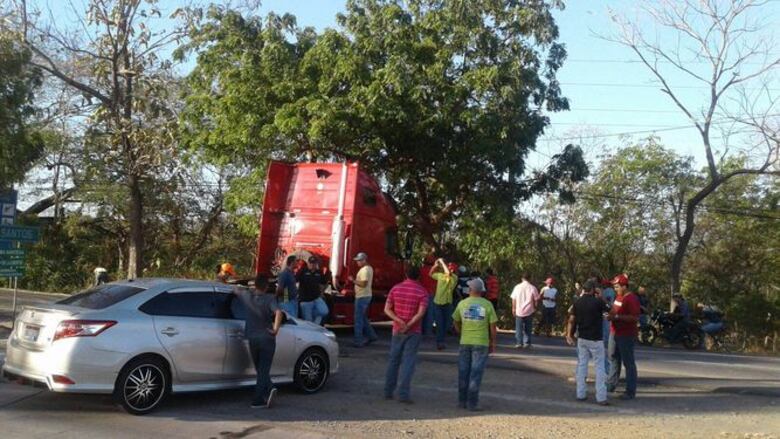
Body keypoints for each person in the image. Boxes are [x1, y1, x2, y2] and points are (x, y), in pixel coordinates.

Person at [232, 275, 283, 409]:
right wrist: (276, 329)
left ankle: (270, 389)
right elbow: (279, 312)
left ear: (255, 285)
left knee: (260, 369)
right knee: (263, 369)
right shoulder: (269, 298)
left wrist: (245, 288)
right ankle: (257, 399)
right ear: (266, 287)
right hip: (266, 337)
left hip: (252, 338)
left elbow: (235, 290)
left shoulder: (247, 296)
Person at [383, 265, 429, 403]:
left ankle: (388, 391)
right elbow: (421, 313)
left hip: (397, 329)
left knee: (393, 360)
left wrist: (399, 321)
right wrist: (408, 325)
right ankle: (403, 394)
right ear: (418, 276)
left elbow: (387, 309)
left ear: (406, 274)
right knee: (408, 362)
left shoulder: (395, 288)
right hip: (413, 331)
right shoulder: (422, 292)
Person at [452, 278, 498, 411]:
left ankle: (462, 402)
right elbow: (493, 327)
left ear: (471, 290)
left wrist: (461, 331)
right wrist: (493, 342)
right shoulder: (487, 305)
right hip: (481, 343)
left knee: (463, 372)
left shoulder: (462, 304)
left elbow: (455, 320)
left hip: (465, 341)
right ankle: (472, 403)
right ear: (481, 291)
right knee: (475, 374)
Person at [566, 279, 610, 405]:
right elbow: (610, 310)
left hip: (582, 338)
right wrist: (602, 297)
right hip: (596, 338)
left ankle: (581, 394)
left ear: (583, 289)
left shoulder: (577, 302)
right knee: (599, 367)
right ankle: (601, 397)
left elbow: (571, 319)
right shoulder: (597, 302)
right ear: (593, 290)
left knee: (581, 366)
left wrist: (569, 334)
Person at [606, 273, 641, 400]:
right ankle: (611, 384)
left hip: (626, 334)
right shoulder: (618, 297)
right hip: (614, 332)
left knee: (628, 362)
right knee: (613, 357)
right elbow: (614, 311)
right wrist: (609, 313)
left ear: (624, 286)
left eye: (617, 287)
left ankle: (630, 391)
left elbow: (634, 317)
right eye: (615, 287)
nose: (615, 289)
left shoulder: (631, 299)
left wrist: (616, 317)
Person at [349, 252, 378, 347]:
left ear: (364, 260)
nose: (357, 262)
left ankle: (358, 341)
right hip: (365, 295)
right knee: (363, 318)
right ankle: (372, 336)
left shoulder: (365, 270)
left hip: (362, 296)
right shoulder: (369, 268)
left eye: (359, 260)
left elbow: (364, 284)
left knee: (358, 319)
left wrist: (353, 280)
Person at [430, 258, 458, 350]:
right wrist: (435, 265)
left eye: (451, 268)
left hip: (447, 303)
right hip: (437, 302)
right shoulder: (440, 275)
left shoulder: (454, 277)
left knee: (447, 324)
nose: (450, 269)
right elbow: (430, 274)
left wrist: (442, 262)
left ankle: (441, 339)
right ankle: (440, 342)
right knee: (440, 324)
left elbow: (448, 274)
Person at [297, 256, 330, 325]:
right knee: (308, 322)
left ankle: (315, 324)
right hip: (305, 300)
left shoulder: (319, 272)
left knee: (324, 311)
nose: (312, 265)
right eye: (311, 263)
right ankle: (311, 332)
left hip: (316, 298)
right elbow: (291, 283)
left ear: (316, 264)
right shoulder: (302, 271)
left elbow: (325, 282)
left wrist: (322, 292)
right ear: (308, 263)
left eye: (314, 263)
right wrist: (286, 298)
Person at [510, 273, 539, 349]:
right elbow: (536, 299)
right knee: (528, 327)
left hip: (519, 310)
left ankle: (519, 343)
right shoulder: (533, 288)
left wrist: (513, 308)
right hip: (529, 310)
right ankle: (527, 343)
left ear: (522, 278)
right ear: (530, 278)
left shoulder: (517, 287)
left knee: (518, 327)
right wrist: (535, 308)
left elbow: (514, 299)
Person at [600, 279, 617, 374]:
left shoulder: (608, 291)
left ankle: (608, 371)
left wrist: (602, 297)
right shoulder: (611, 291)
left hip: (606, 316)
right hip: (606, 316)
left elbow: (608, 303)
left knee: (605, 343)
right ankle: (608, 370)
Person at [420, 255, 438, 337]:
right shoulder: (434, 272)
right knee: (430, 313)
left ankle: (419, 330)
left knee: (421, 313)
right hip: (431, 293)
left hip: (421, 293)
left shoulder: (421, 270)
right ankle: (428, 332)